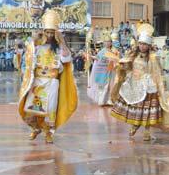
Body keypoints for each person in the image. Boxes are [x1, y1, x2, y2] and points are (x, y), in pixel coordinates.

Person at [110, 23, 169, 141]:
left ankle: (147, 132)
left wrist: (161, 86)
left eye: (145, 44)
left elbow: (158, 72)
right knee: (137, 109)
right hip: (135, 85)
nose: (142, 46)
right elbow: (127, 68)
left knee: (147, 111)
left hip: (149, 87)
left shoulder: (153, 57)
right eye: (141, 44)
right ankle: (134, 126)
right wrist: (122, 66)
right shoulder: (132, 54)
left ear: (149, 45)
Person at [18, 10, 78, 144]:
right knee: (30, 108)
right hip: (38, 82)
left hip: (52, 82)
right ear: (44, 32)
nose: (50, 35)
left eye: (52, 32)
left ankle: (48, 133)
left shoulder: (58, 47)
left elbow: (67, 59)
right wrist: (33, 40)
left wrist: (62, 41)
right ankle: (35, 128)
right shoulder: (37, 46)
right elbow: (29, 56)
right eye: (47, 32)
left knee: (50, 110)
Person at [87, 33, 119, 106]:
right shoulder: (102, 51)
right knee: (103, 86)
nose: (107, 43)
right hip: (103, 71)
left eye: (108, 41)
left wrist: (113, 61)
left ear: (111, 42)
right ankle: (101, 100)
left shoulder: (114, 51)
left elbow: (117, 59)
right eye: (106, 41)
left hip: (111, 70)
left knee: (111, 86)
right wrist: (91, 56)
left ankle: (110, 100)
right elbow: (98, 58)